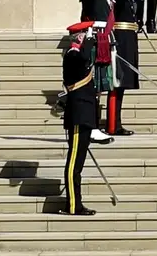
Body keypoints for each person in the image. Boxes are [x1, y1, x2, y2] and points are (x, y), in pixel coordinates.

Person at [60, 22, 99, 216]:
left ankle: (76, 203)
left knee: (78, 163)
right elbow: (83, 57)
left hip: (84, 115)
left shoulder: (79, 54)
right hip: (78, 115)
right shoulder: (72, 55)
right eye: (86, 34)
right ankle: (73, 205)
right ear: (80, 36)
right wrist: (89, 40)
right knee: (74, 164)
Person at [78, 0, 115, 144]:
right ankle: (91, 127)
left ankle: (94, 126)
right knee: (93, 87)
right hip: (95, 41)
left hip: (103, 39)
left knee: (98, 89)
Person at [106, 0, 138, 136]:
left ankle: (115, 123)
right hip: (121, 40)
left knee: (121, 86)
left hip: (127, 40)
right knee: (117, 84)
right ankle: (113, 125)